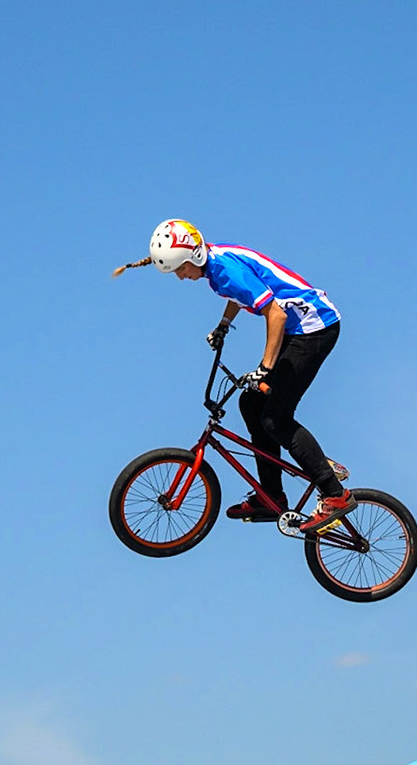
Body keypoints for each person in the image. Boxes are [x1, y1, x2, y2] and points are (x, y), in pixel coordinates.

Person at [147, 218, 352, 531]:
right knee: (251, 404)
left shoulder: (225, 271)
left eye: (179, 269)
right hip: (299, 329)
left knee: (276, 418)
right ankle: (272, 496)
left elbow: (276, 314)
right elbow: (240, 295)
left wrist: (265, 367)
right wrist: (224, 325)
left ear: (193, 259)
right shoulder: (215, 268)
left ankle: (334, 494)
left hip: (315, 329)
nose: (180, 277)